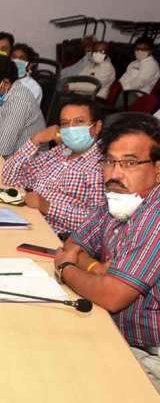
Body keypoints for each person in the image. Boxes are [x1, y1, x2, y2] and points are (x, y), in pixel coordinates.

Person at [52, 113, 160, 390]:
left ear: (158, 169)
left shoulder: (156, 213)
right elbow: (72, 246)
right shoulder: (119, 196)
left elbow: (112, 296)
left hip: (150, 355)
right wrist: (94, 268)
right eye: (110, 162)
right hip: (115, 331)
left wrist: (67, 269)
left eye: (130, 163)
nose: (114, 174)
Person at [1, 98, 104, 234]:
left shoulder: (101, 167)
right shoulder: (58, 152)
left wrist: (48, 207)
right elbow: (9, 178)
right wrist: (35, 140)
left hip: (53, 236)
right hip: (25, 220)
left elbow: (97, 224)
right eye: (65, 123)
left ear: (97, 127)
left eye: (79, 122)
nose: (71, 128)